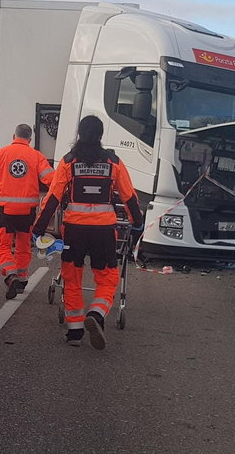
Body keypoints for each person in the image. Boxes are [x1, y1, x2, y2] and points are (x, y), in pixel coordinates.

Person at [33, 115, 144, 349]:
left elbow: (53, 197)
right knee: (108, 277)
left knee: (71, 278)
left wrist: (39, 229)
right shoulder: (114, 162)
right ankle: (97, 314)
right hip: (103, 231)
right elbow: (129, 197)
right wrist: (137, 224)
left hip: (74, 230)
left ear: (79, 134)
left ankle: (75, 331)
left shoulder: (68, 161)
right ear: (101, 135)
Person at [0, 124, 54, 299]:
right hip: (27, 212)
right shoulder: (36, 156)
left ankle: (11, 276)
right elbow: (52, 179)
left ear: (14, 136)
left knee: (4, 246)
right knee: (23, 244)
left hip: (6, 210)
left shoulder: (1, 154)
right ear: (30, 139)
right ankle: (22, 278)